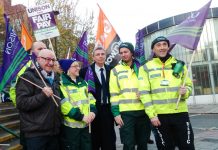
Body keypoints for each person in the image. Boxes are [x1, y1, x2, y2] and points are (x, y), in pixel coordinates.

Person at [138, 36, 195, 150]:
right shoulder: (145, 68)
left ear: (168, 47)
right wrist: (152, 115)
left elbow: (188, 85)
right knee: (165, 147)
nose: (162, 47)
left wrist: (186, 92)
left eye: (164, 44)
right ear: (153, 49)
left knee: (187, 146)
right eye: (158, 45)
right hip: (159, 117)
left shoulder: (180, 65)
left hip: (180, 112)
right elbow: (144, 93)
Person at [16, 49, 62, 150]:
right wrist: (42, 95)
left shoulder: (56, 78)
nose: (50, 63)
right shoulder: (27, 77)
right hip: (36, 135)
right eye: (47, 59)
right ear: (39, 59)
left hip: (54, 132)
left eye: (53, 60)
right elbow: (21, 103)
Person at [110, 42, 151, 150]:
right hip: (126, 113)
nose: (123, 54)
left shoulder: (142, 68)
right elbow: (114, 94)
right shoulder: (115, 70)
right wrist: (116, 114)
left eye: (126, 52)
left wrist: (145, 92)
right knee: (128, 145)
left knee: (143, 144)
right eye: (121, 53)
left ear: (131, 52)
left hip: (143, 111)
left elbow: (151, 87)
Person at [79, 46, 116, 150]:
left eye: (102, 54)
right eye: (98, 54)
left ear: (105, 56)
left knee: (109, 141)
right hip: (93, 110)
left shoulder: (112, 70)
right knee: (93, 141)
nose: (100, 56)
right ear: (93, 57)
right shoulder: (85, 71)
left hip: (108, 110)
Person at [58, 58, 96, 150]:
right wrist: (81, 117)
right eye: (75, 66)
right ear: (68, 69)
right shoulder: (61, 84)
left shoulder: (83, 82)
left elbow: (91, 99)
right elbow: (64, 106)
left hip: (86, 127)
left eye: (78, 66)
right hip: (71, 130)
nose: (78, 68)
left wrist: (93, 112)